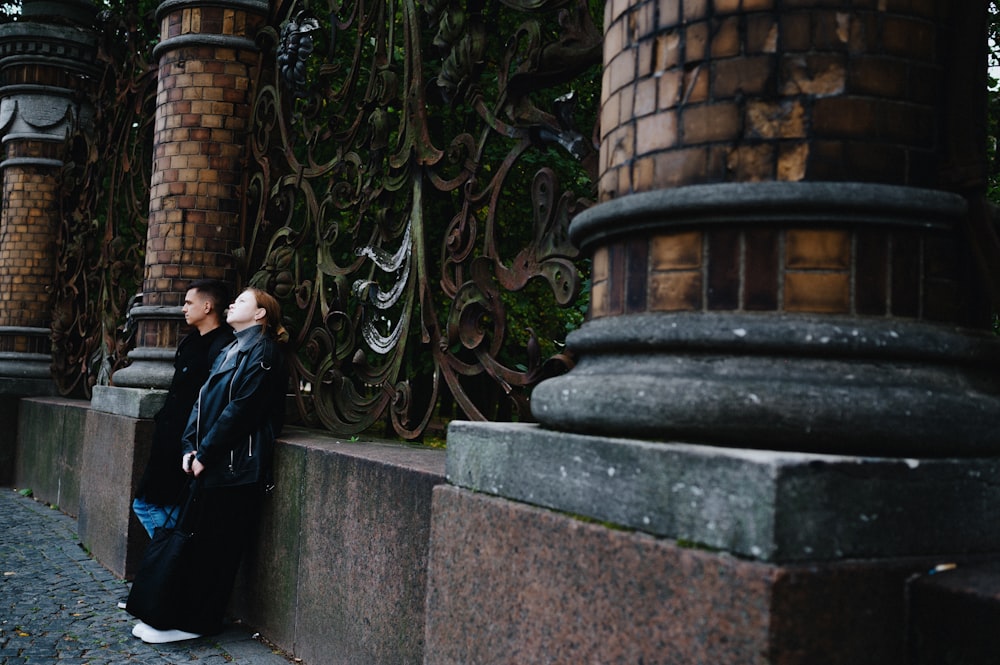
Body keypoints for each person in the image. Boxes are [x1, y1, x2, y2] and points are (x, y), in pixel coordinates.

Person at [130, 286, 288, 645]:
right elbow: (202, 404)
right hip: (213, 465)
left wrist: (205, 454)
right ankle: (176, 615)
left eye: (243, 301)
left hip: (235, 470)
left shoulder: (263, 352)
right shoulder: (233, 347)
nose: (233, 304)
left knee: (215, 551)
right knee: (198, 547)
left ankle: (197, 622)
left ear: (261, 314)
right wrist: (189, 448)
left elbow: (242, 411)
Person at [132, 279, 234, 537]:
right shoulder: (189, 342)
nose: (183, 308)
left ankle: (172, 561)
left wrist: (197, 447)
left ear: (208, 306)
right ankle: (172, 560)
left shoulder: (222, 345)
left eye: (189, 302)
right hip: (168, 439)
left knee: (149, 505)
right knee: (149, 503)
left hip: (188, 445)